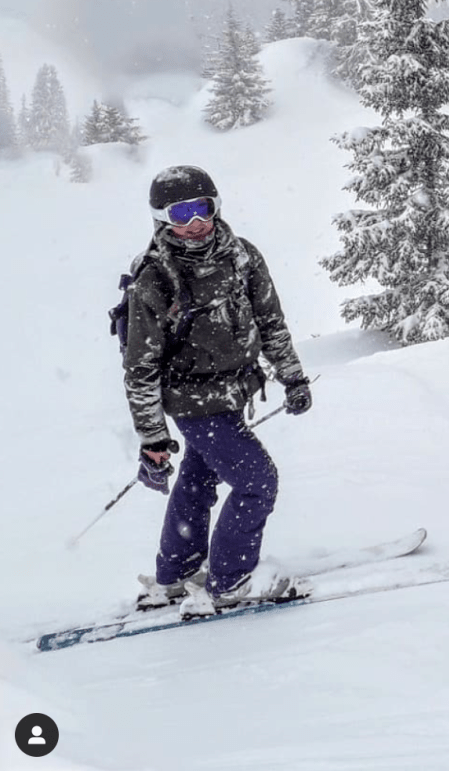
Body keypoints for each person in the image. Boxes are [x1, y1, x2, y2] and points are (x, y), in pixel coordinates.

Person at [122, 165, 312, 611]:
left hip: (231, 395)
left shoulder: (241, 256)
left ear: (216, 206)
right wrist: (152, 436)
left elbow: (270, 322)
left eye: (201, 208)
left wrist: (293, 376)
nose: (194, 222)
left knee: (197, 479)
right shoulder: (155, 278)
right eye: (181, 213)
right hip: (192, 404)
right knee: (257, 482)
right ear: (162, 218)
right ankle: (231, 582)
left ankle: (177, 574)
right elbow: (140, 366)